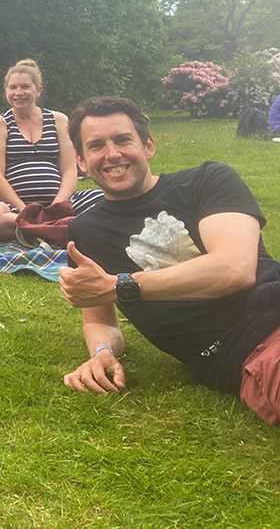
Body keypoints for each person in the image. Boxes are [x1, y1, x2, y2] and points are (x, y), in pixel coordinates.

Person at [58, 96, 280, 427]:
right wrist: (101, 353)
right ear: (81, 160)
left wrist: (122, 286)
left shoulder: (208, 181)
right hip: (253, 350)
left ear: (148, 145)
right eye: (96, 146)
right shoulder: (86, 232)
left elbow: (235, 269)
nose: (112, 154)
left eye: (123, 139)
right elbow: (99, 320)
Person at [0, 59, 103, 241]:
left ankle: (36, 230)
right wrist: (24, 210)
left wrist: (57, 206)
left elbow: (69, 171)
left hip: (58, 206)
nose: (19, 93)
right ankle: (58, 229)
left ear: (38, 90)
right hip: (12, 208)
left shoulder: (58, 120)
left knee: (105, 199)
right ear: (6, 91)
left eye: (25, 87)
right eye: (13, 88)